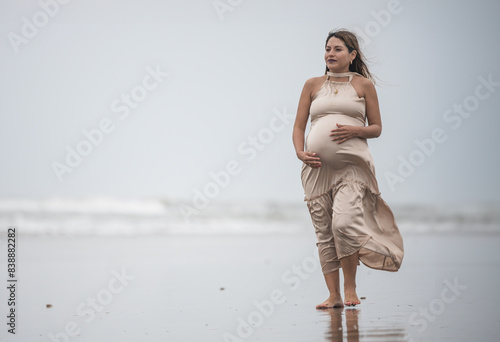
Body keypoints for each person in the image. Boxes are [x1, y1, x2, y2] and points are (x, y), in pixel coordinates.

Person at [292, 29, 404, 309]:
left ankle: (350, 287)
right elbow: (298, 126)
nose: (331, 53)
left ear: (352, 55)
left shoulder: (363, 85)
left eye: (338, 49)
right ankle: (334, 296)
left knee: (343, 224)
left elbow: (376, 128)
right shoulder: (312, 84)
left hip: (353, 168)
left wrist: (356, 129)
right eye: (328, 48)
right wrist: (299, 152)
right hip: (316, 170)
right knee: (324, 232)